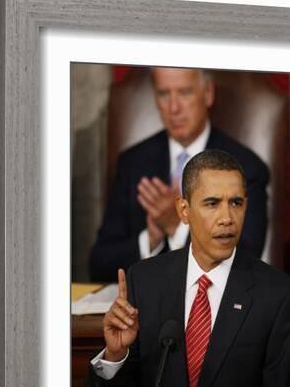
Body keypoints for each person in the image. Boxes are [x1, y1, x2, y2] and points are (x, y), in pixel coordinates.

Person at [86, 149, 290, 387]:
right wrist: (116, 355)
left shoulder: (278, 295)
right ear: (184, 211)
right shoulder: (145, 281)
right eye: (212, 203)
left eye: (236, 203)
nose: (227, 218)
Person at [88, 67, 270, 282]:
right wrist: (151, 238)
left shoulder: (245, 167)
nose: (174, 108)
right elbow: (99, 264)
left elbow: (246, 259)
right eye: (164, 94)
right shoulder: (132, 163)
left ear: (208, 94)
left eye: (184, 93)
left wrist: (178, 226)